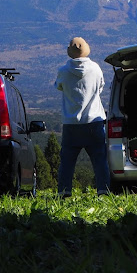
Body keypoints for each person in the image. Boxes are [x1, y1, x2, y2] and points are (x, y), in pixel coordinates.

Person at [54, 36, 111, 197]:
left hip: (71, 123)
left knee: (67, 162)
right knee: (100, 160)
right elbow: (100, 87)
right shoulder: (96, 68)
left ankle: (64, 191)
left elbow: (59, 86)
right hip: (94, 121)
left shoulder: (63, 71)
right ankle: (103, 191)